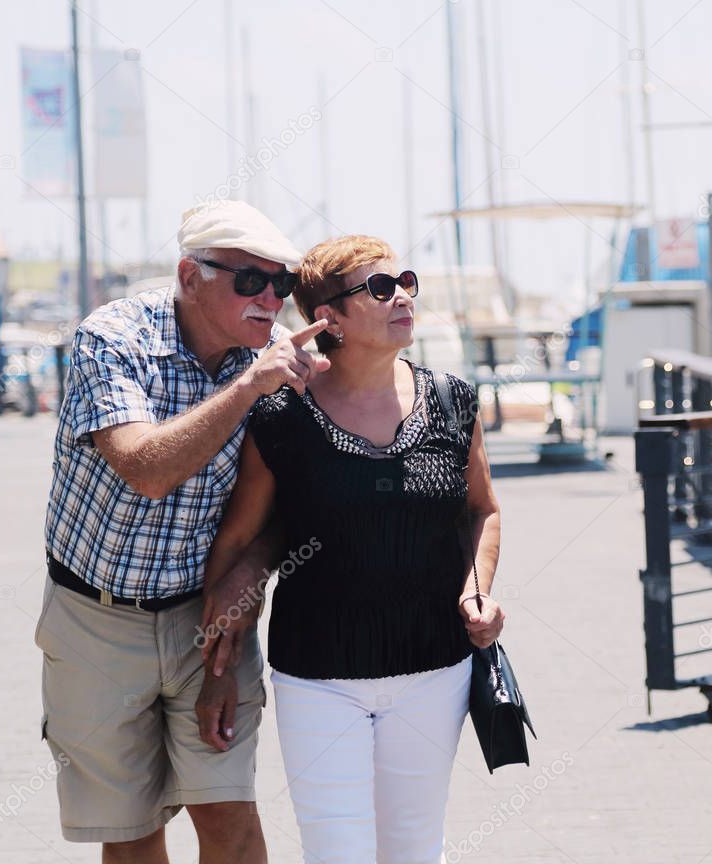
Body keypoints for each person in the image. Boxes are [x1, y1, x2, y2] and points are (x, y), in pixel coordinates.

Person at [36, 199, 330, 864]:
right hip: (94, 622)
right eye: (249, 281)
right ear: (190, 275)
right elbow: (146, 469)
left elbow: (276, 515)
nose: (270, 299)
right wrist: (249, 388)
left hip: (207, 620)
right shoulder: (111, 339)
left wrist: (241, 605)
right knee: (132, 832)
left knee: (230, 815)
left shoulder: (274, 366)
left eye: (279, 284)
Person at [197, 234, 506, 863]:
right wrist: (216, 671)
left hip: (434, 668)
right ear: (327, 318)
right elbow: (239, 540)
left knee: (414, 851)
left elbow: (483, 510)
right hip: (318, 677)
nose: (403, 298)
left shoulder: (452, 400)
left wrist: (477, 593)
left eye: (407, 282)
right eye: (381, 288)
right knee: (337, 852)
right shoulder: (280, 414)